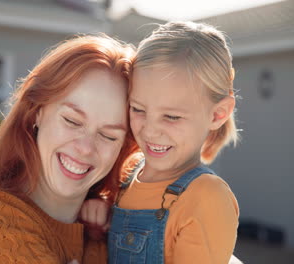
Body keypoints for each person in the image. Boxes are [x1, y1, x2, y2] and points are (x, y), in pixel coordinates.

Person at [0, 34, 139, 264]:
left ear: (123, 146)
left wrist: (103, 229)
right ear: (37, 111)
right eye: (72, 121)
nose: (86, 148)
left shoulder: (114, 233)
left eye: (108, 136)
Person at [81, 21, 241, 263]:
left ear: (217, 114)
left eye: (172, 116)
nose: (150, 130)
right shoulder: (126, 171)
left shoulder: (207, 198)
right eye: (138, 109)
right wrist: (99, 221)